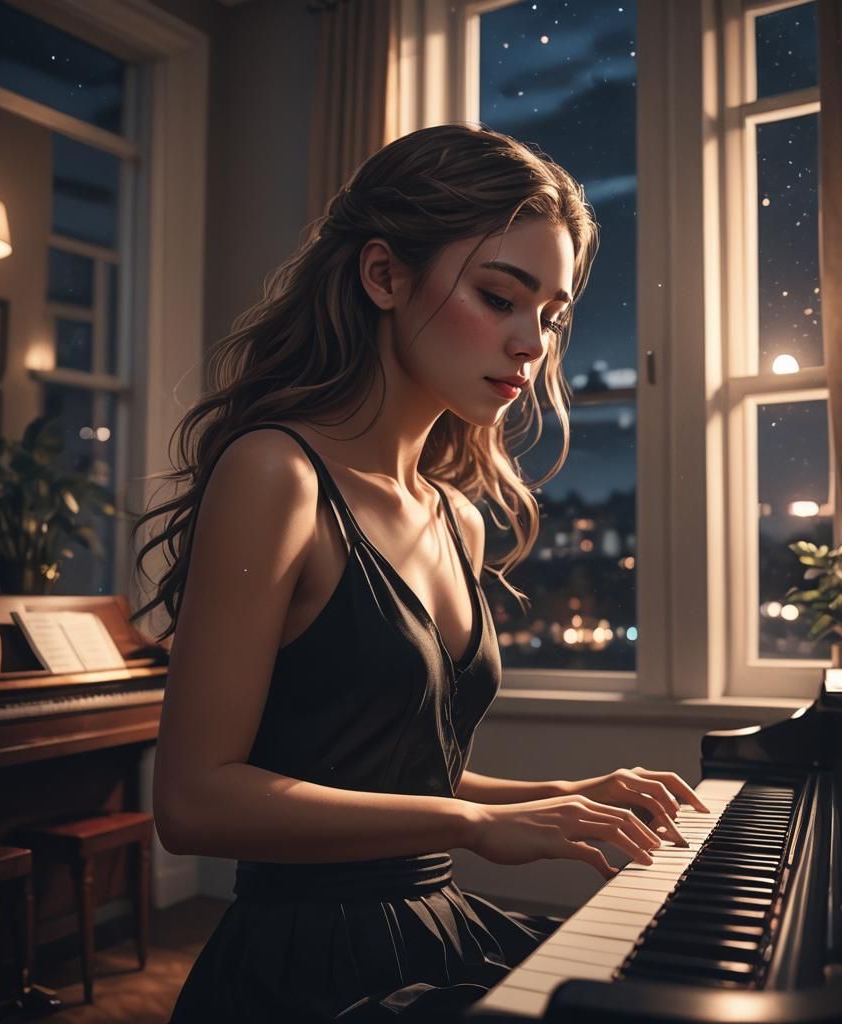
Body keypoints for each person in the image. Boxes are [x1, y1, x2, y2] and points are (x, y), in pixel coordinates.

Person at [131, 122, 708, 1023]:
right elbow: (196, 801)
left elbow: (389, 775)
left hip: (437, 924)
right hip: (311, 965)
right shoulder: (276, 474)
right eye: (499, 296)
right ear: (383, 276)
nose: (532, 343)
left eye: (549, 317)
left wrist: (558, 798)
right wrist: (481, 825)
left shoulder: (458, 516)